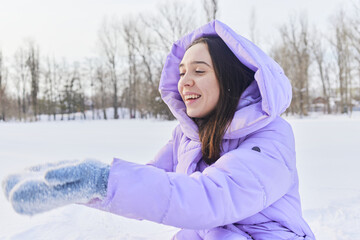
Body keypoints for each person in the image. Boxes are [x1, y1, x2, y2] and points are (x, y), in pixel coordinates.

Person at [2, 20, 315, 239]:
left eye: (199, 71)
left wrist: (100, 181)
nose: (185, 81)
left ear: (230, 79)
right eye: (181, 72)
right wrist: (79, 185)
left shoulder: (270, 139)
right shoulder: (187, 137)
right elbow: (150, 183)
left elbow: (209, 200)